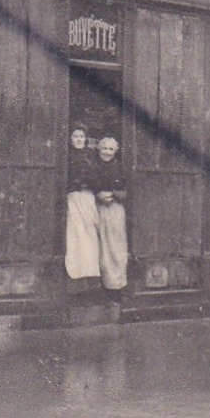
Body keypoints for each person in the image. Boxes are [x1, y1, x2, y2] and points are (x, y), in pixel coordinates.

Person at [91, 135, 129, 292]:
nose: (107, 152)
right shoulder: (93, 166)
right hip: (97, 208)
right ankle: (99, 284)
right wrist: (97, 195)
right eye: (104, 148)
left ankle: (115, 283)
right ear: (99, 149)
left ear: (116, 151)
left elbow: (127, 189)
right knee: (98, 244)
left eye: (110, 149)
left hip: (115, 209)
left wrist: (113, 195)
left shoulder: (120, 167)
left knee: (115, 244)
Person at [64, 124, 100, 281]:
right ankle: (76, 273)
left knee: (89, 234)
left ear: (85, 139)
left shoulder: (91, 156)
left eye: (81, 136)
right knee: (75, 234)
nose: (78, 139)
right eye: (75, 136)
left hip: (88, 198)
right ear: (70, 139)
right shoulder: (67, 156)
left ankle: (90, 273)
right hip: (73, 198)